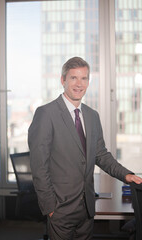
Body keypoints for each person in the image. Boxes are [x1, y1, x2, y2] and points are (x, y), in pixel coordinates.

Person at [28, 57, 142, 240]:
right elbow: (39, 166)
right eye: (73, 78)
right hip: (60, 208)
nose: (79, 84)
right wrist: (50, 208)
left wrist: (126, 175)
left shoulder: (92, 116)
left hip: (87, 207)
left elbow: (101, 154)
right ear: (63, 80)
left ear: (89, 82)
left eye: (84, 78)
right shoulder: (46, 114)